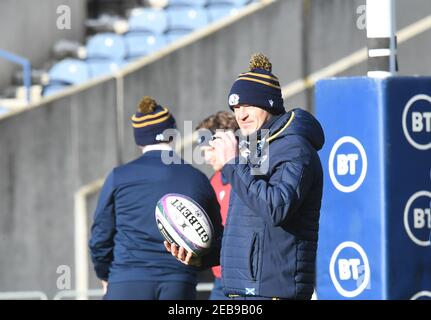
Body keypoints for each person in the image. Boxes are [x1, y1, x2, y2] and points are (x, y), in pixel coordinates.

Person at [89, 96, 223, 300]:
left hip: (127, 280)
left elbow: (100, 236)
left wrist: (105, 274)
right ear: (173, 133)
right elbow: (217, 237)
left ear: (139, 139)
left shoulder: (119, 177)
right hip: (179, 282)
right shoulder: (198, 178)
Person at [195, 111, 239, 300]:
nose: (206, 157)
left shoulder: (248, 180)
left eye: (208, 150)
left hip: (244, 280)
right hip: (220, 280)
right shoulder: (213, 181)